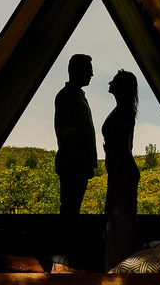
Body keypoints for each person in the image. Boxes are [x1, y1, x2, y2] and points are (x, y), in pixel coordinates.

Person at [52, 54, 95, 273]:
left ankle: (63, 261)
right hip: (73, 166)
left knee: (70, 212)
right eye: (88, 69)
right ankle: (60, 261)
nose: (92, 73)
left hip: (76, 165)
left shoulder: (74, 96)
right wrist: (80, 161)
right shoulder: (68, 96)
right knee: (69, 212)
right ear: (76, 70)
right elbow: (67, 133)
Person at [103, 69, 140, 271]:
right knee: (119, 222)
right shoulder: (121, 110)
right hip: (121, 170)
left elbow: (123, 148)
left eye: (114, 81)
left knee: (119, 222)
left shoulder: (123, 112)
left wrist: (114, 174)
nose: (109, 82)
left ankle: (119, 268)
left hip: (122, 172)